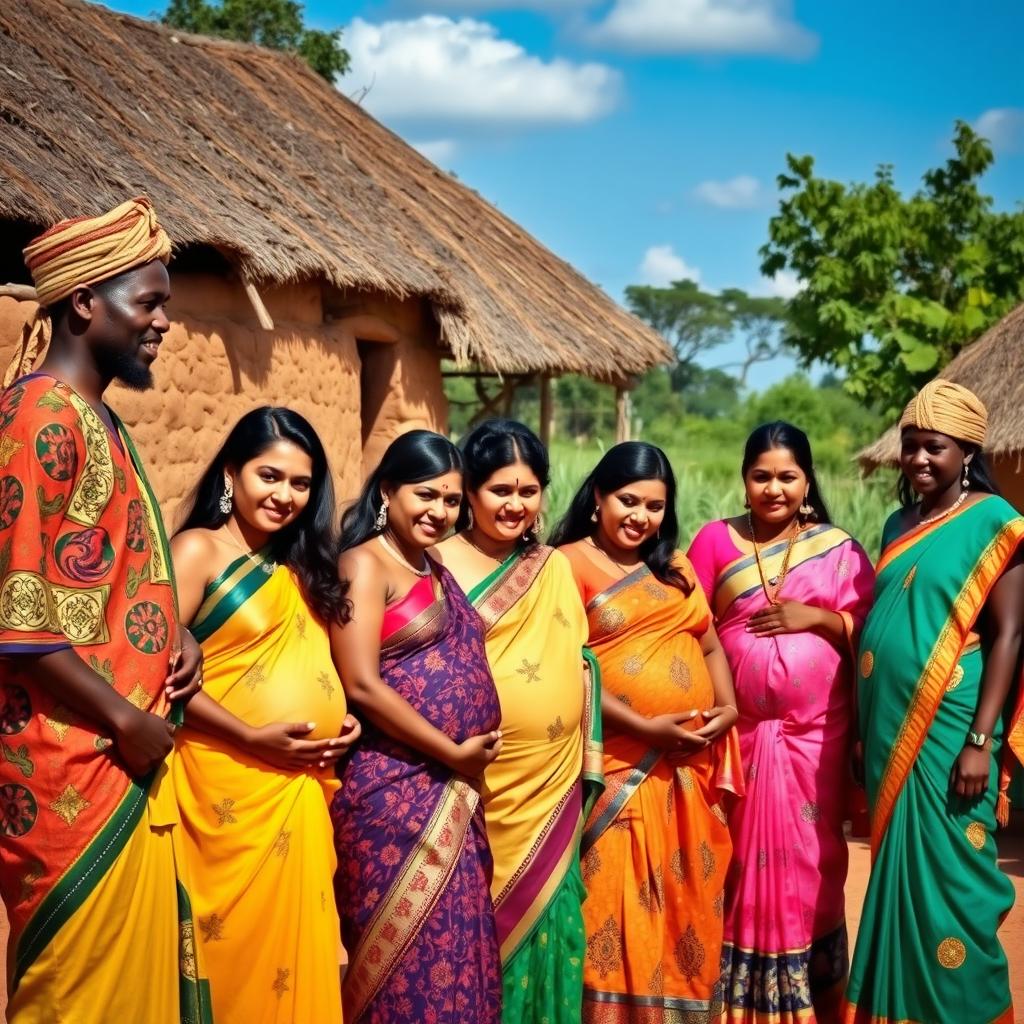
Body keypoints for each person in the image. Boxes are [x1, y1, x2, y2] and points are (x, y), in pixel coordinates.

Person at [0, 198, 208, 1023]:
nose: (162, 324)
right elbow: (18, 620)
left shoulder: (99, 421)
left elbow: (104, 585)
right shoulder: (39, 420)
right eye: (147, 303)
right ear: (84, 302)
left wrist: (175, 634)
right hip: (73, 777)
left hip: (119, 763)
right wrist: (125, 716)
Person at [170, 407, 360, 1023]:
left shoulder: (304, 568)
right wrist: (251, 736)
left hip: (299, 794)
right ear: (232, 472)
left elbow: (319, 663)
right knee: (228, 953)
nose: (284, 496)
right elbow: (155, 672)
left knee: (292, 967)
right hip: (220, 795)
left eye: (300, 484)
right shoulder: (199, 550)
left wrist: (346, 717)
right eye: (269, 476)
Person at [844, 380, 1024, 1024]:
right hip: (889, 727)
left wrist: (982, 742)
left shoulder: (996, 524)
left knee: (953, 878)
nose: (919, 459)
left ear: (968, 452)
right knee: (897, 874)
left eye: (935, 449)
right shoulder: (898, 522)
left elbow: (1009, 634)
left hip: (951, 729)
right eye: (912, 447)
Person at [687, 422, 875, 1024]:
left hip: (816, 742)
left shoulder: (838, 549)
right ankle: (732, 1003)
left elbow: (873, 638)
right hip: (736, 742)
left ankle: (810, 1001)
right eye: (762, 476)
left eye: (787, 476)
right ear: (744, 482)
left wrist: (816, 619)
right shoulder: (714, 542)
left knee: (812, 863)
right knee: (734, 859)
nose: (774, 489)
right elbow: (683, 624)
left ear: (806, 481)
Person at [551, 441, 743, 1024]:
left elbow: (709, 643)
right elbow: (569, 668)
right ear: (596, 501)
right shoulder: (565, 564)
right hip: (618, 770)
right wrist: (644, 725)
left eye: (655, 506)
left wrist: (728, 707)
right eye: (628, 500)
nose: (640, 516)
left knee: (689, 909)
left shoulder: (676, 566)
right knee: (614, 910)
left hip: (689, 771)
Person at [432, 419, 603, 1024]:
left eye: (528, 491)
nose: (515, 505)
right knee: (465, 931)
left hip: (547, 790)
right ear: (469, 493)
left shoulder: (552, 566)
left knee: (551, 925)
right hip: (462, 782)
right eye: (500, 490)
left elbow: (577, 658)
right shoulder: (432, 560)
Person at [330, 430, 503, 1024]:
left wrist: (460, 761)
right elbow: (361, 683)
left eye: (452, 501)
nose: (440, 512)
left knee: (459, 954)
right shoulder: (364, 563)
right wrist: (452, 751)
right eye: (425, 496)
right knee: (401, 968)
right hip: (391, 795)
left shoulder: (433, 568)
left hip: (452, 791)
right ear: (387, 490)